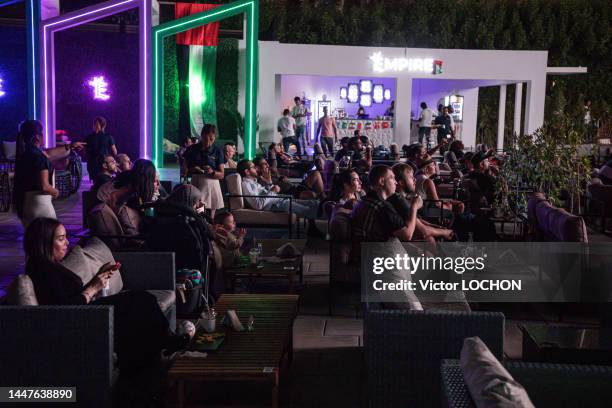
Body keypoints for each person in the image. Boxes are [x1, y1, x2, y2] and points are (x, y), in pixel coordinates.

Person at [24, 217, 189, 375]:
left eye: (66, 237)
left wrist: (97, 280)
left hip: (87, 313)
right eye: (61, 239)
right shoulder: (43, 270)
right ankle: (162, 347)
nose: (67, 243)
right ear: (44, 242)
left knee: (142, 301)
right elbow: (64, 310)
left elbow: (71, 297)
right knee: (141, 301)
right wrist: (93, 287)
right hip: (84, 321)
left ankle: (160, 348)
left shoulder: (48, 265)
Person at [13, 120, 83, 227]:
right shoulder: (39, 157)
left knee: (34, 240)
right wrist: (55, 191)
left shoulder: (24, 154)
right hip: (41, 203)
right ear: (37, 137)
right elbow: (44, 186)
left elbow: (48, 153)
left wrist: (69, 146)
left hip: (25, 203)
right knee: (50, 238)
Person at [237, 159, 323, 236]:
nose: (256, 169)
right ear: (247, 172)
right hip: (276, 205)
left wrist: (271, 188)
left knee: (312, 203)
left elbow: (265, 193)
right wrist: (273, 191)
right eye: (253, 167)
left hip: (279, 199)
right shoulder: (246, 185)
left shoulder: (253, 182)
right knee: (308, 208)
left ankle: (326, 205)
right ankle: (327, 211)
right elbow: (258, 205)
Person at [351, 164, 422, 242]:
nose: (396, 182)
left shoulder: (366, 200)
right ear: (382, 181)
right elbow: (407, 235)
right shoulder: (382, 206)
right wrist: (414, 206)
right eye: (392, 178)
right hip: (376, 252)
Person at [388, 163, 454, 242]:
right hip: (399, 240)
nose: (415, 179)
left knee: (430, 239)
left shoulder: (401, 198)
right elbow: (423, 231)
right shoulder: (399, 200)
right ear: (401, 182)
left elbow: (417, 221)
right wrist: (445, 232)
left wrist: (435, 227)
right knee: (430, 240)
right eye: (411, 177)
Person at [184, 124, 225, 219]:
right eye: (206, 139)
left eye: (212, 139)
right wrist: (193, 169)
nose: (209, 142)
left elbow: (222, 174)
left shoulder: (217, 151)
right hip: (197, 183)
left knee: (211, 217)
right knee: (196, 214)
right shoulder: (192, 149)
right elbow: (184, 170)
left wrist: (212, 172)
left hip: (212, 184)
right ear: (201, 136)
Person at [84, 117, 117, 182]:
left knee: (96, 182)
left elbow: (85, 152)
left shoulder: (89, 137)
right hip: (104, 164)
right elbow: (115, 152)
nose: (94, 126)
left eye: (95, 124)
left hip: (93, 164)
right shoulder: (108, 137)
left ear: (101, 125)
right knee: (105, 181)